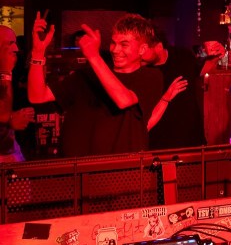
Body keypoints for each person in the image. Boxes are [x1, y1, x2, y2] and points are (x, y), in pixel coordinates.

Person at [27, 12, 163, 157]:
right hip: (75, 166)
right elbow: (37, 96)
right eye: (113, 43)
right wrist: (38, 52)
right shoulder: (87, 74)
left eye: (124, 44)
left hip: (119, 167)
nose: (115, 50)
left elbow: (124, 100)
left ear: (142, 49)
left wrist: (93, 55)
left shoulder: (150, 76)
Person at [141, 29, 224, 149]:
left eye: (144, 48)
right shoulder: (142, 70)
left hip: (190, 136)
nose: (140, 52)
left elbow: (201, 69)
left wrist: (217, 55)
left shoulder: (182, 55)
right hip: (159, 140)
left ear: (158, 47)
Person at [0, 25, 32, 162]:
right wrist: (10, 119)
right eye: (9, 43)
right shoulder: (4, 72)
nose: (16, 49)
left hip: (8, 147)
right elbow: (3, 115)